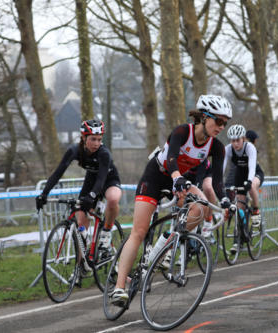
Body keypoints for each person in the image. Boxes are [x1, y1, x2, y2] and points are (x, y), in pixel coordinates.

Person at [110, 94, 232, 306]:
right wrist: (177, 178)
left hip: (180, 180)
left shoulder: (217, 147)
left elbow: (218, 182)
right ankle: (119, 288)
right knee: (139, 232)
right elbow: (171, 158)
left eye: (225, 122)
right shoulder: (183, 131)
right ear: (204, 117)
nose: (221, 126)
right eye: (218, 121)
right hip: (157, 176)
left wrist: (225, 201)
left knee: (202, 206)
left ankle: (166, 242)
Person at [35, 119, 122, 265]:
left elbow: (101, 179)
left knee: (112, 199)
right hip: (90, 182)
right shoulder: (74, 150)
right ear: (83, 138)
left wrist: (93, 196)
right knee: (81, 223)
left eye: (99, 139)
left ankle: (106, 232)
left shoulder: (104, 153)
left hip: (108, 180)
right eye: (93, 139)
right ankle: (81, 267)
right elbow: (58, 173)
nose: (96, 143)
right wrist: (44, 193)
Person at [223, 124, 264, 253]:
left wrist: (249, 180)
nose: (235, 144)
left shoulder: (250, 147)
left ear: (243, 139)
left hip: (255, 174)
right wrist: (218, 182)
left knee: (251, 187)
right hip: (240, 175)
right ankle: (238, 240)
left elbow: (252, 167)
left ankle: (256, 212)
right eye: (233, 141)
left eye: (238, 140)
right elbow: (222, 168)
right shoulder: (228, 149)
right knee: (239, 209)